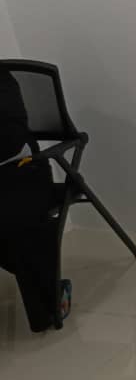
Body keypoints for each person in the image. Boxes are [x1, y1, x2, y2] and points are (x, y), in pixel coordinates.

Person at [0, 69, 69, 332]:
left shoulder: (1, 80)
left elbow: (10, 141)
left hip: (22, 174)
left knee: (13, 219)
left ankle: (47, 303)